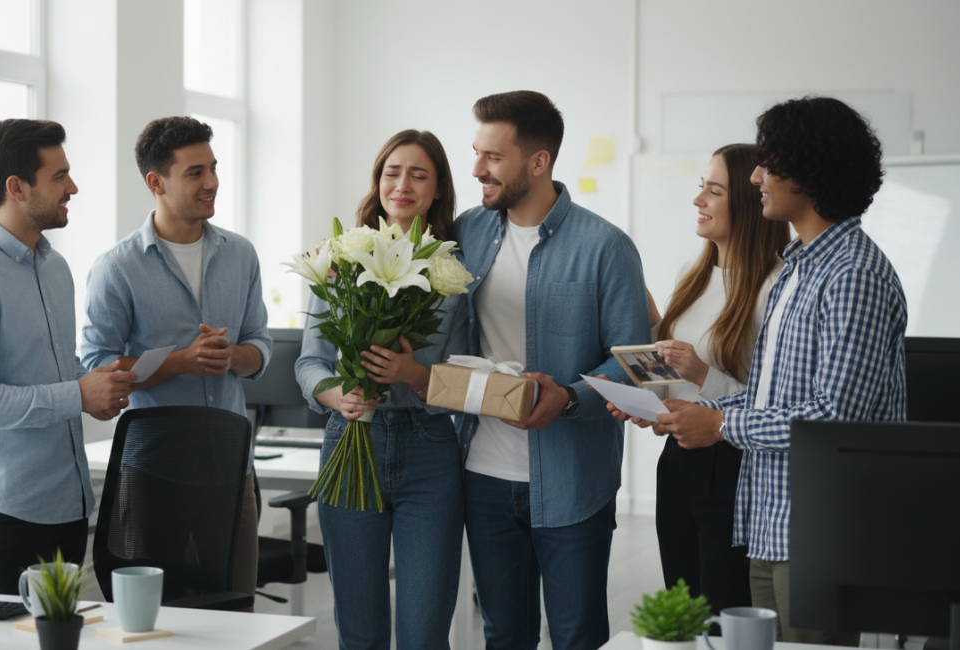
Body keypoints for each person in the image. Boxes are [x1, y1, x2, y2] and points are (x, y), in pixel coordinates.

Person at [611, 97, 907, 645]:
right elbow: (766, 399)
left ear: (808, 170)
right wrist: (689, 413)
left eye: (768, 163)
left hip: (820, 531)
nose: (756, 176)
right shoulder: (799, 271)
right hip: (770, 524)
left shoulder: (853, 275)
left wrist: (719, 425)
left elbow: (834, 417)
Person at [455, 91, 650, 650]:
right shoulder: (467, 232)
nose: (477, 169)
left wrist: (567, 397)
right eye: (476, 153)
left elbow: (633, 358)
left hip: (573, 478)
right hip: (483, 474)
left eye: (492, 157)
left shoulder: (606, 247)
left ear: (538, 162)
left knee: (576, 636)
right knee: (503, 634)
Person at [0, 119, 136, 594]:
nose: (73, 188)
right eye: (59, 177)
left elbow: (58, 369)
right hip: (4, 513)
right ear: (16, 187)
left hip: (67, 503)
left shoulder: (55, 266)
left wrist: (96, 385)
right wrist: (75, 395)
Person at [81, 116, 272, 605]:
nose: (211, 182)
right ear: (156, 182)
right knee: (155, 618)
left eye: (212, 168)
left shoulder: (241, 255)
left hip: (231, 467)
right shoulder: (116, 267)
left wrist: (233, 358)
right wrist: (179, 363)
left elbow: (260, 349)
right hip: (154, 473)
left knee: (235, 611)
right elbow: (97, 368)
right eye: (194, 172)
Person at [294, 129, 468, 650]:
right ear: (378, 181)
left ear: (438, 189)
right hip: (350, 442)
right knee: (360, 631)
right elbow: (308, 362)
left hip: (430, 449)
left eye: (419, 174)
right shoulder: (340, 260)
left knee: (423, 633)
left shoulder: (453, 273)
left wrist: (413, 374)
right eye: (393, 172)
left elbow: (463, 379)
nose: (403, 184)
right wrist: (336, 396)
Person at [645, 144, 789, 614]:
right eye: (700, 187)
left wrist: (702, 374)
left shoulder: (775, 286)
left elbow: (771, 401)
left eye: (714, 190)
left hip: (735, 466)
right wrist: (644, 399)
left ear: (747, 203)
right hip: (679, 460)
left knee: (725, 613)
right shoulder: (694, 274)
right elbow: (676, 377)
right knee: (683, 611)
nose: (698, 200)